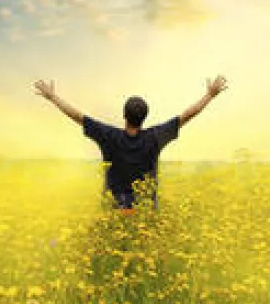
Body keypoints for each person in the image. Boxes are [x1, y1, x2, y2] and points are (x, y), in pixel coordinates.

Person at [33, 75, 228, 211]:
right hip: (145, 211)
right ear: (144, 117)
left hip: (113, 209)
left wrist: (52, 97)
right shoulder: (155, 137)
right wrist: (210, 95)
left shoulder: (108, 135)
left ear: (124, 115)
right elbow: (187, 115)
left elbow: (77, 116)